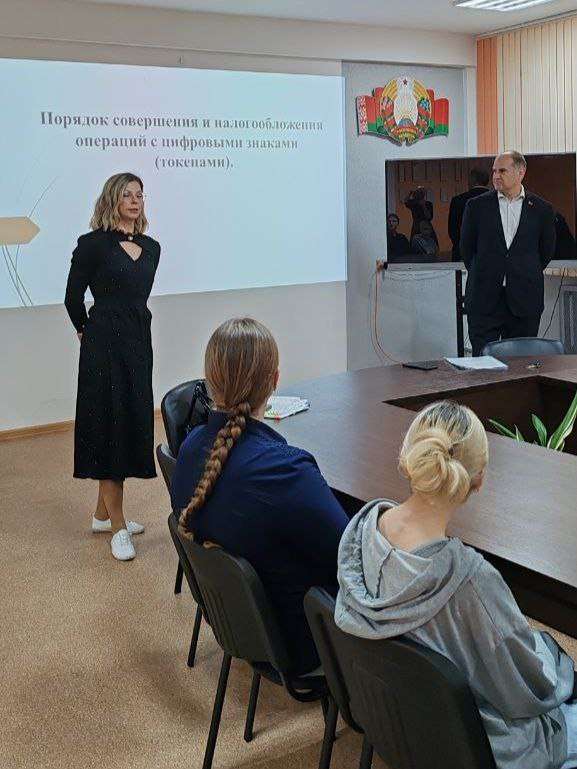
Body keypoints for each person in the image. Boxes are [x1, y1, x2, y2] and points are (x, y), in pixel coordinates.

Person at [335, 401, 577, 769]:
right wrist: (556, 663)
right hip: (475, 744)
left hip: (398, 718)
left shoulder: (359, 535)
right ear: (479, 479)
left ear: (408, 458)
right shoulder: (472, 582)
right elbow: (529, 689)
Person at [171, 317, 348, 675]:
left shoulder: (189, 449)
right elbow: (349, 559)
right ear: (275, 381)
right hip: (304, 642)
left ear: (209, 380)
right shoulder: (286, 471)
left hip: (242, 628)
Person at [65, 173, 161, 562]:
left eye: (139, 194)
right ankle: (118, 527)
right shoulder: (92, 245)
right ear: (112, 199)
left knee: (129, 420)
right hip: (102, 346)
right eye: (126, 194)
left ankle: (102, 515)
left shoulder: (152, 248)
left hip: (137, 344)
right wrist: (86, 332)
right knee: (108, 426)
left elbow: (137, 297)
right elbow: (73, 298)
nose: (135, 200)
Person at [460, 151, 556, 356]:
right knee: (483, 365)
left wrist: (519, 270)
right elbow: (467, 250)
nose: (496, 176)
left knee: (521, 367)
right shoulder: (476, 207)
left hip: (524, 301)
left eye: (502, 171)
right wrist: (488, 271)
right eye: (494, 171)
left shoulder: (542, 209)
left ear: (521, 172)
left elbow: (545, 252)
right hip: (484, 300)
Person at [448, 167, 490, 261]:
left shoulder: (458, 200)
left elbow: (453, 230)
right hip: (490, 254)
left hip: (463, 253)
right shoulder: (498, 200)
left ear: (473, 179)